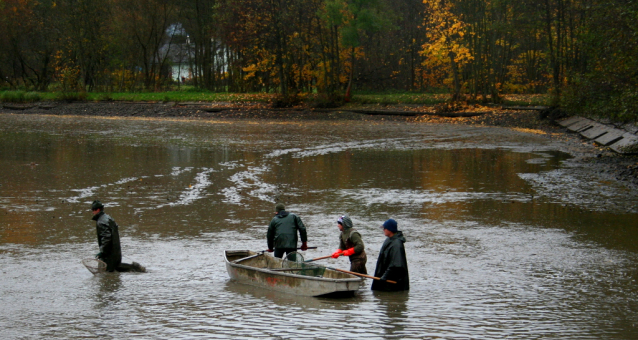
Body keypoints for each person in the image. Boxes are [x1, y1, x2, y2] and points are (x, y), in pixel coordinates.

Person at [371, 218, 409, 291]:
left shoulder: (397, 244)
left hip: (393, 283)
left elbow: (396, 265)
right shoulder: (389, 240)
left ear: (389, 229)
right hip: (385, 279)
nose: (383, 230)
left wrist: (384, 277)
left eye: (384, 228)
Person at [91, 200, 122, 272]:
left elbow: (106, 238)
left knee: (107, 276)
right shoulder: (109, 218)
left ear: (98, 209)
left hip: (109, 256)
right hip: (117, 254)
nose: (92, 212)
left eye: (93, 210)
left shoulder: (101, 222)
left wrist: (102, 252)